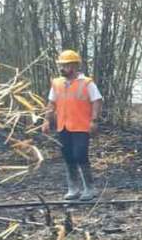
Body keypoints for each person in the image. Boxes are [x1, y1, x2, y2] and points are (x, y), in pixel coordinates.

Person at [42, 49, 102, 201]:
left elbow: (97, 101)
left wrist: (94, 120)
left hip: (81, 126)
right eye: (61, 65)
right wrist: (46, 120)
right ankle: (73, 188)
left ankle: (90, 188)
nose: (62, 68)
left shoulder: (87, 83)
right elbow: (51, 103)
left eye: (65, 65)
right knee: (68, 156)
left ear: (75, 66)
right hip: (63, 126)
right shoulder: (56, 83)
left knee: (80, 155)